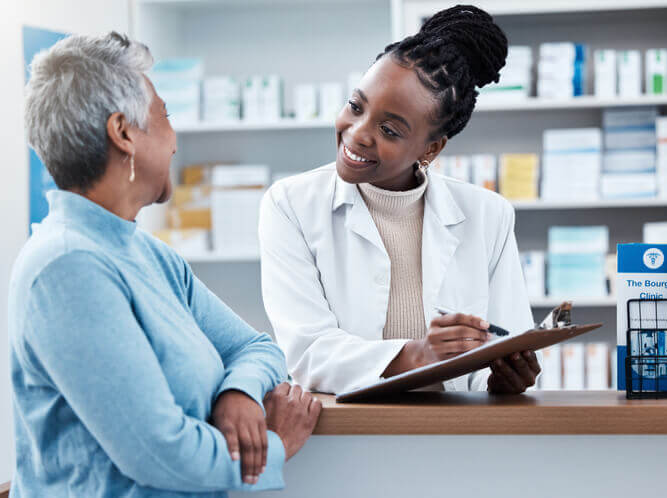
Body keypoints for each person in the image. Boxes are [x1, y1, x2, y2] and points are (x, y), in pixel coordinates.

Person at [9, 32, 320, 497]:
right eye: (166, 117)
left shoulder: (147, 254)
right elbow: (162, 453)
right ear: (123, 132)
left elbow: (258, 348)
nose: (174, 141)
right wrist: (275, 446)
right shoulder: (67, 267)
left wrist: (238, 393)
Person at [259, 5, 541, 395]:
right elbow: (308, 353)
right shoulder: (290, 205)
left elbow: (504, 342)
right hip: (346, 438)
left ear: (431, 148)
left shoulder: (488, 214)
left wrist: (504, 378)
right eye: (356, 106)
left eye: (389, 130)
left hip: (458, 440)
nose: (357, 133)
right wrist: (418, 354)